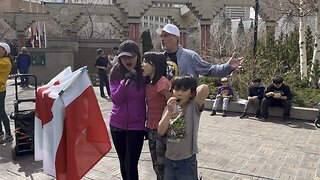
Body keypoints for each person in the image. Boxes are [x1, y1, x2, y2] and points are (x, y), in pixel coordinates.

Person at [158, 75, 209, 180]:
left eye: (184, 90)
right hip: (169, 160)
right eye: (176, 89)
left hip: (186, 162)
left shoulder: (193, 106)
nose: (179, 93)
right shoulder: (169, 108)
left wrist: (189, 83)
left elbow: (204, 88)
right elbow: (161, 131)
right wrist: (169, 111)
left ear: (192, 93)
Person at [109, 40, 146, 180]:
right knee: (123, 164)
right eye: (124, 57)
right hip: (117, 125)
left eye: (131, 57)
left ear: (137, 56)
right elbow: (115, 99)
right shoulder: (116, 73)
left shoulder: (144, 75)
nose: (127, 60)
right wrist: (124, 83)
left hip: (136, 126)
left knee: (131, 165)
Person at [160, 23, 243, 80]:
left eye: (166, 36)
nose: (162, 39)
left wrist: (228, 66)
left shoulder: (190, 56)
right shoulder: (159, 58)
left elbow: (209, 70)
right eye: (161, 36)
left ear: (176, 38)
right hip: (164, 103)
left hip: (185, 104)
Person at [141, 52, 171, 180]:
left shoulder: (162, 82)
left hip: (162, 132)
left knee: (162, 166)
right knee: (156, 165)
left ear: (154, 65)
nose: (141, 65)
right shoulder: (149, 84)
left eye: (144, 62)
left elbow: (173, 105)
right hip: (151, 130)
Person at [0, 42, 13, 143]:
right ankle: (1, 132)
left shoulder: (5, 62)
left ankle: (8, 134)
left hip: (1, 90)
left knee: (2, 112)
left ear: (5, 50)